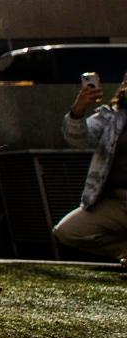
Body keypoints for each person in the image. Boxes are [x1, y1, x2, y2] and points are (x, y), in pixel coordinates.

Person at [53, 75, 127, 262]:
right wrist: (78, 110)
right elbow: (78, 139)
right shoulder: (112, 116)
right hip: (116, 201)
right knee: (67, 232)